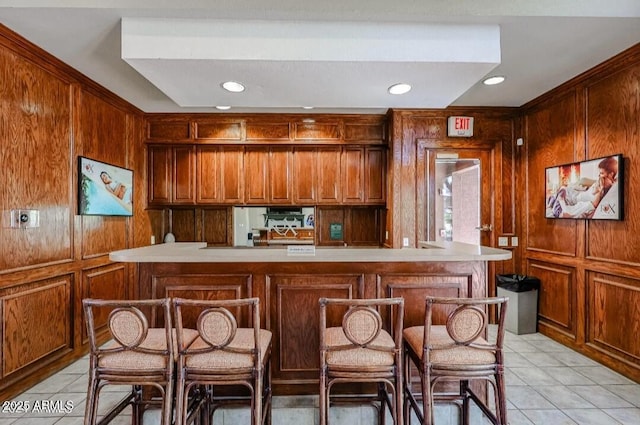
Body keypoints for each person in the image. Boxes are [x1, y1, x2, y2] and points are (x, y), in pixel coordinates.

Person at [550, 156, 618, 218]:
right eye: (599, 173)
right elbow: (593, 190)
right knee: (564, 189)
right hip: (578, 195)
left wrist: (601, 188)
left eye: (602, 173)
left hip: (577, 199)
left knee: (563, 190)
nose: (600, 175)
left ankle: (556, 198)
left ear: (611, 174)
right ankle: (556, 198)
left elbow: (594, 201)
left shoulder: (606, 184)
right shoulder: (601, 180)